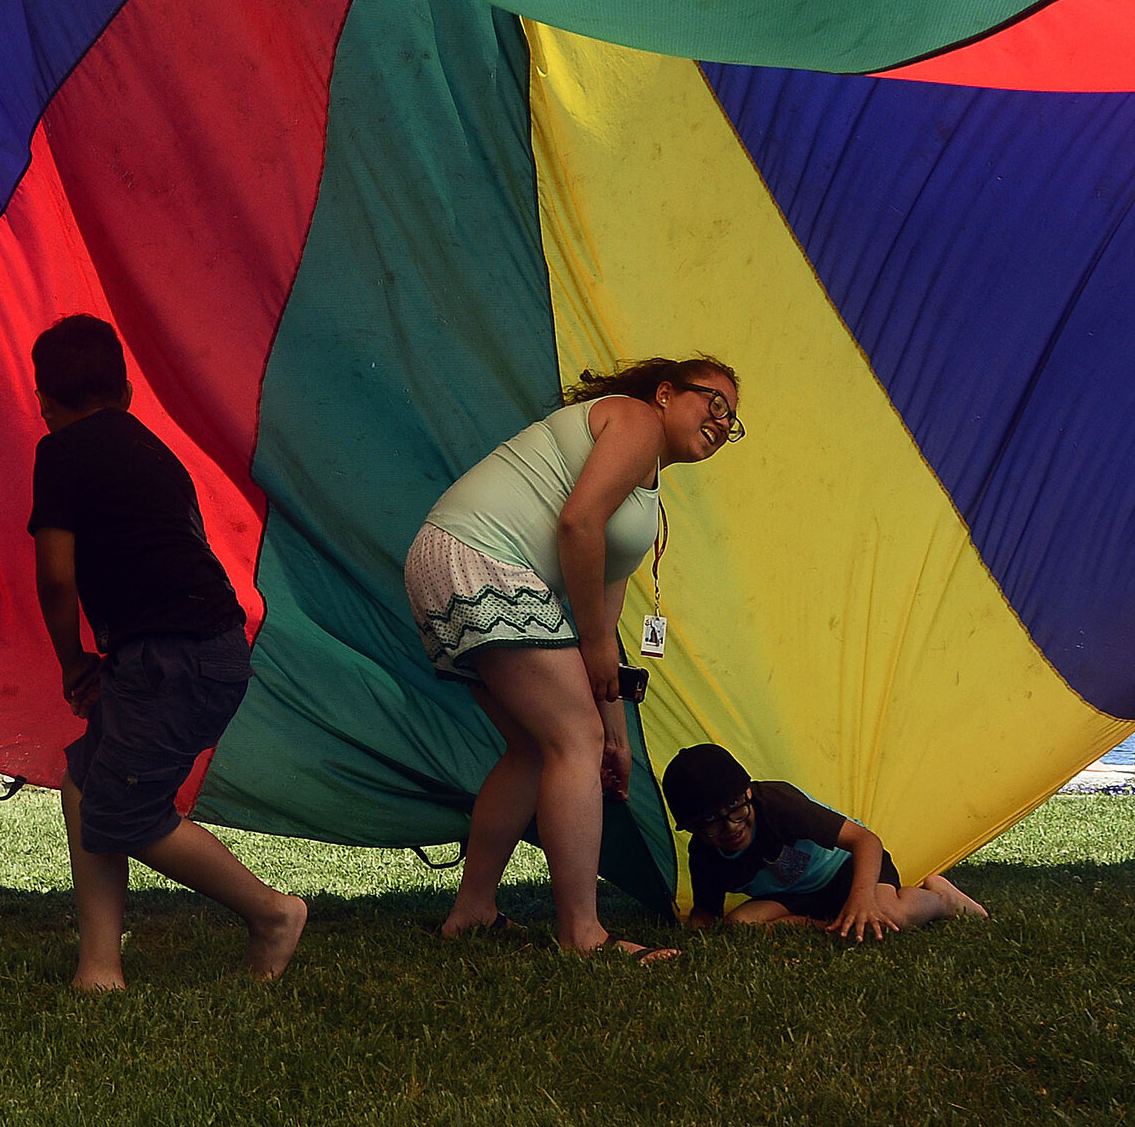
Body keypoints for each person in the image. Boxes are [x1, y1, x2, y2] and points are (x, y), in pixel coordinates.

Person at [404, 356, 740, 958]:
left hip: (449, 560)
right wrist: (590, 671)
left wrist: (616, 733)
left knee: (538, 747)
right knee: (570, 742)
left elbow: (603, 625)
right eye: (713, 401)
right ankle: (583, 935)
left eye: (732, 420)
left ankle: (473, 911)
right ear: (666, 393)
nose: (722, 421)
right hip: (483, 559)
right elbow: (577, 525)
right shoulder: (637, 422)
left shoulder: (645, 502)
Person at [26, 315, 307, 991]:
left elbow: (58, 575)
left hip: (170, 656)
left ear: (44, 402)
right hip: (200, 647)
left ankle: (272, 912)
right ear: (125, 391)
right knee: (87, 782)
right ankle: (99, 965)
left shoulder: (60, 450)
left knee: (125, 813)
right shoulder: (156, 452)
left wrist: (72, 662)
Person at [658, 744, 987, 936]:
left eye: (735, 810)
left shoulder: (778, 804)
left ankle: (940, 899)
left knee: (887, 918)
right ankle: (834, 922)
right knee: (740, 925)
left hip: (849, 870)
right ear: (694, 829)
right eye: (710, 823)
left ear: (747, 793)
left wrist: (862, 897)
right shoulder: (705, 855)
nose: (730, 827)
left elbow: (866, 841)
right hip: (792, 896)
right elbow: (705, 915)